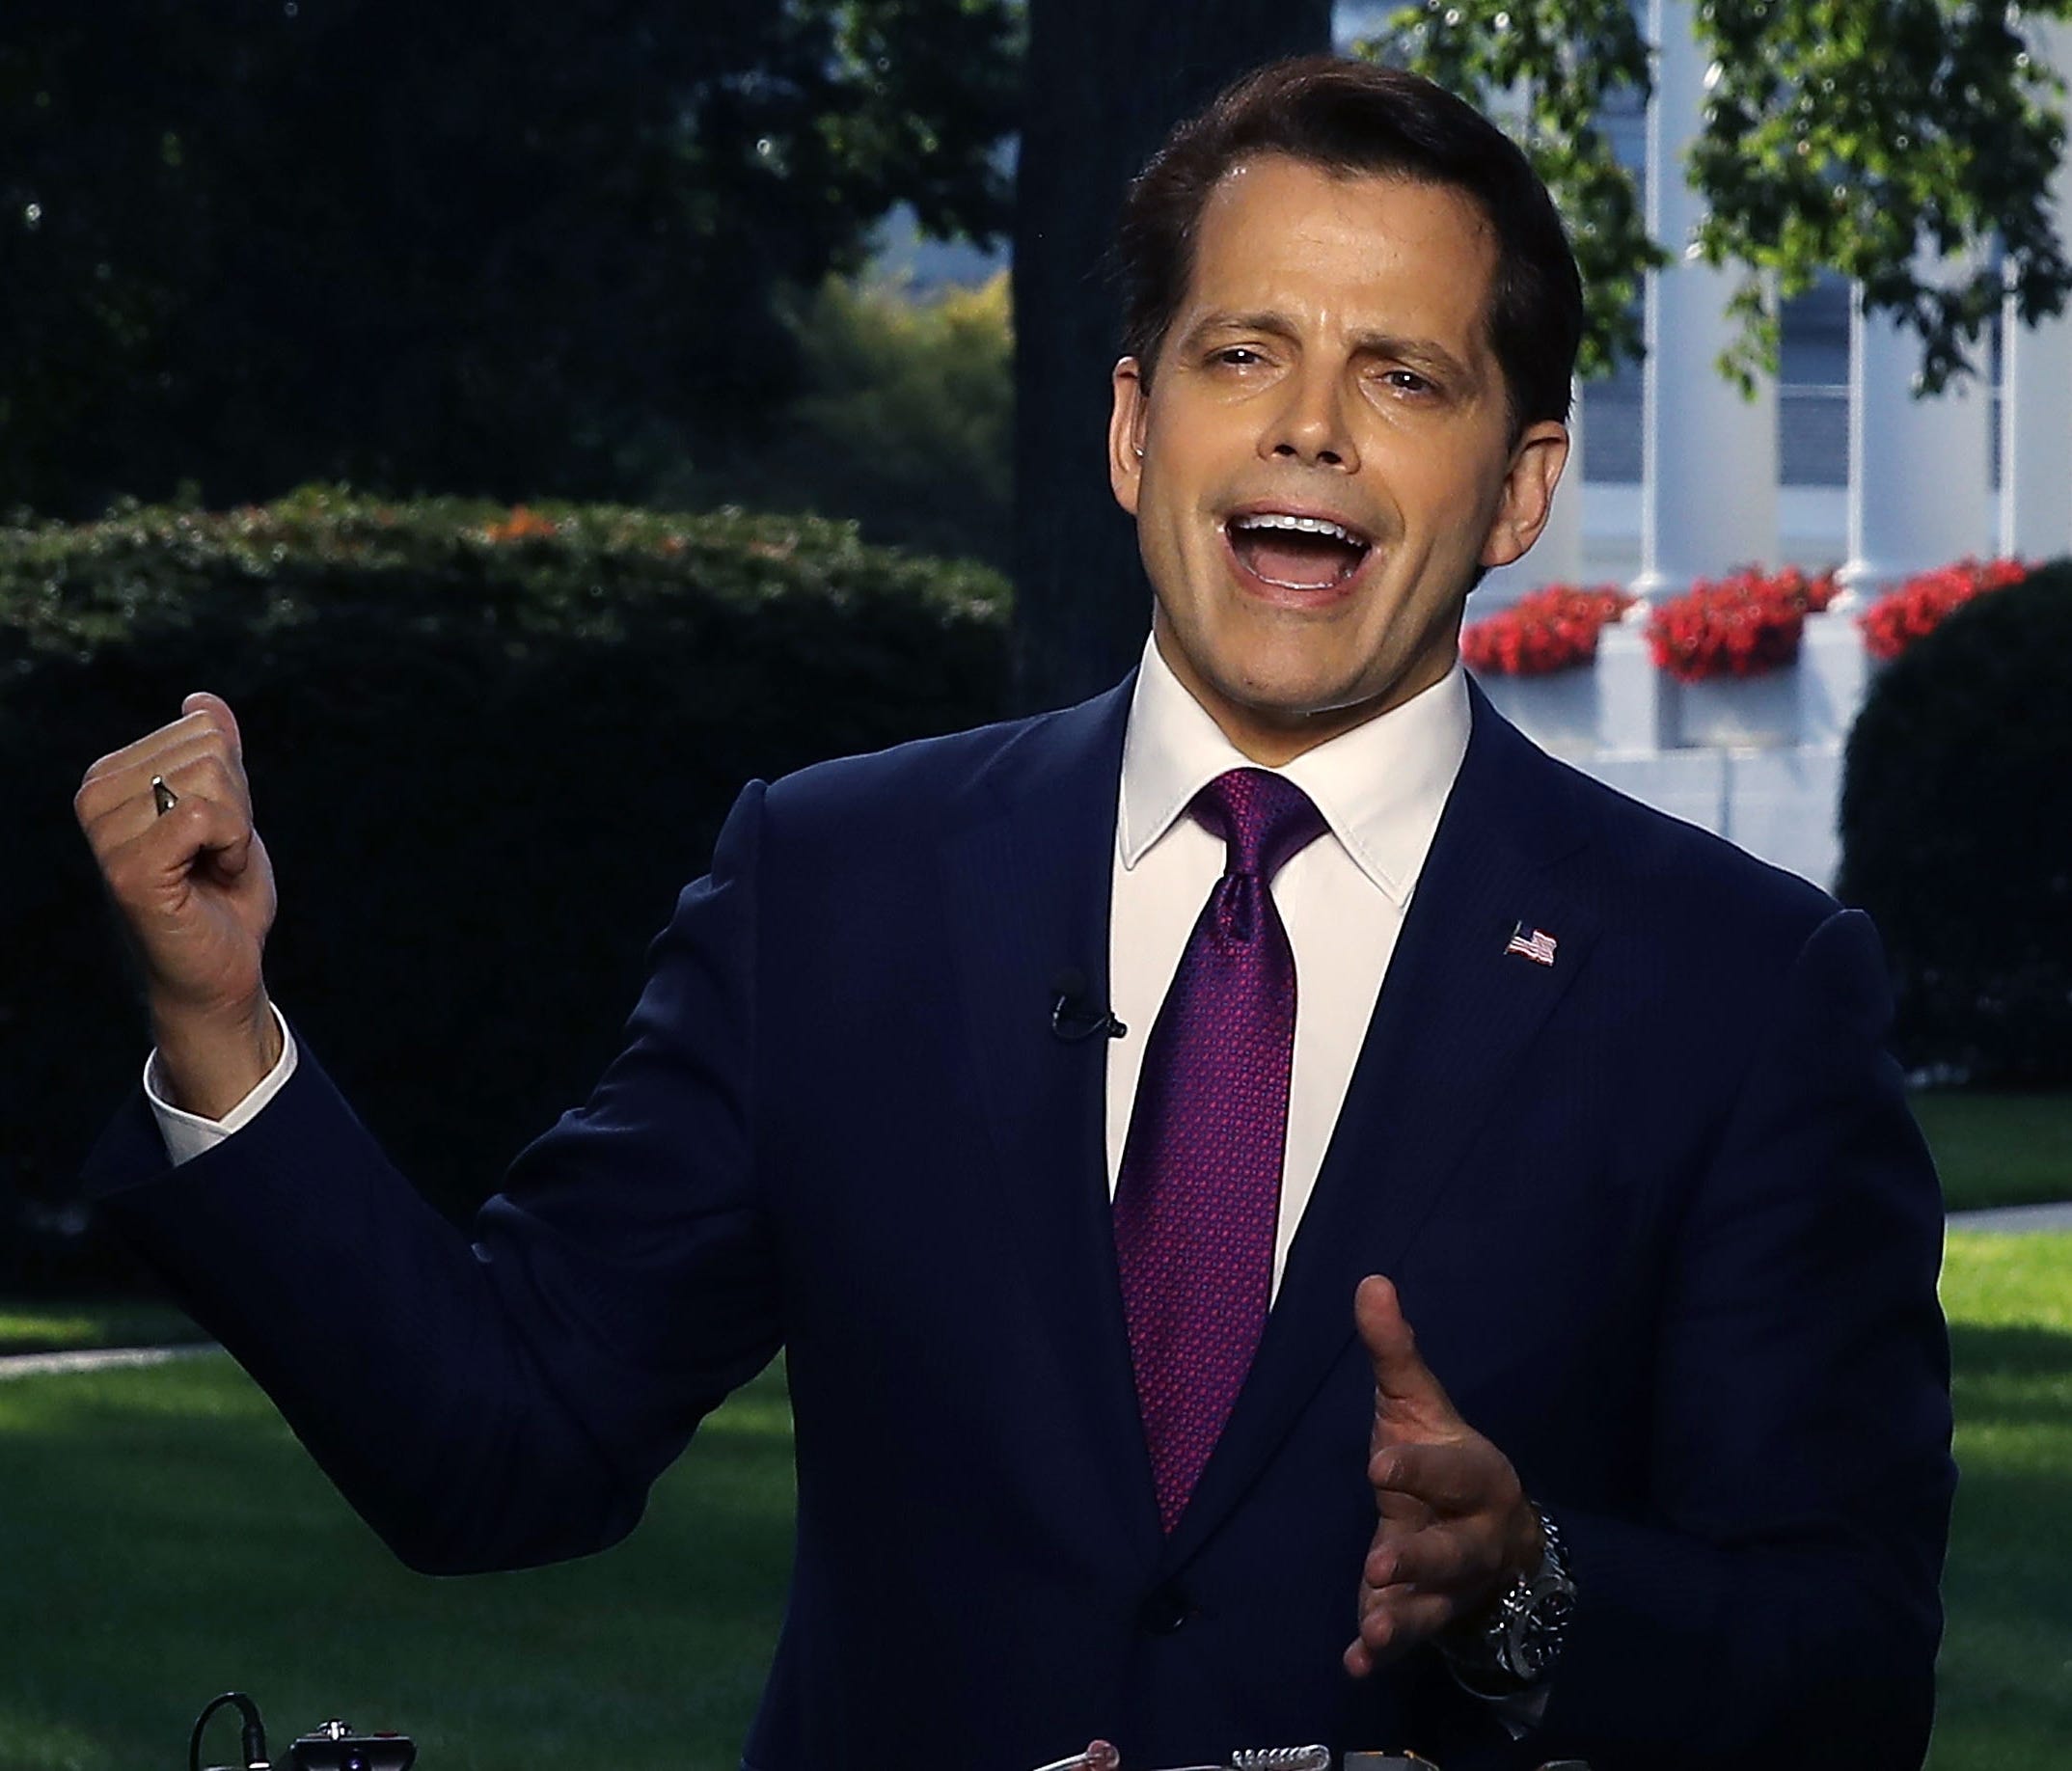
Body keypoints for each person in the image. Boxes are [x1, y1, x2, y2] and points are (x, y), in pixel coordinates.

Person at [74, 56, 1952, 1771]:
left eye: (1403, 376)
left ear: (1522, 485)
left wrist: (1529, 1588)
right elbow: (503, 1446)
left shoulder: (1733, 991)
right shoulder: (836, 886)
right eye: (1243, 352)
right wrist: (219, 1031)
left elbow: (1850, 1670)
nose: (1309, 427)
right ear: (1135, 431)